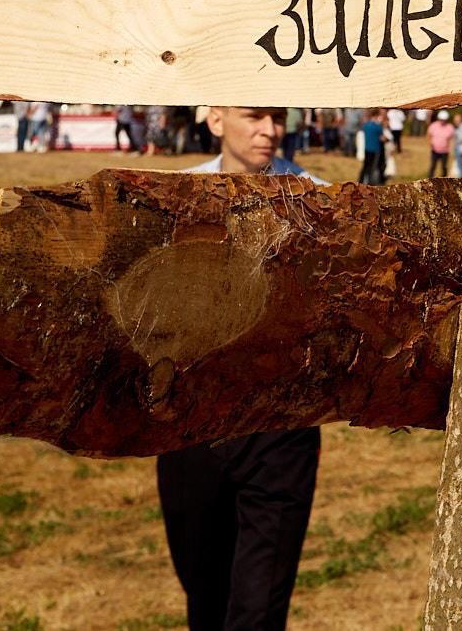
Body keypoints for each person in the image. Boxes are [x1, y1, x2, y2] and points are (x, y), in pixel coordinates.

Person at [159, 105, 323, 631]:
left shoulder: (321, 201)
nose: (270, 130)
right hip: (190, 428)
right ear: (215, 120)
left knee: (258, 614)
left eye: (278, 117)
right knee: (204, 601)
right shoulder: (171, 198)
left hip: (280, 430)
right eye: (254, 116)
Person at [358, 109, 387, 186]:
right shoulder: (378, 127)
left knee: (365, 166)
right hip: (375, 150)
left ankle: (360, 181)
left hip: (367, 149)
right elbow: (382, 138)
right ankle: (370, 184)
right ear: (376, 116)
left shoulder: (365, 125)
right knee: (372, 168)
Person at [426, 111, 455, 179]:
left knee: (444, 166)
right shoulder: (433, 125)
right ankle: (429, 179)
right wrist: (431, 143)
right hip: (435, 150)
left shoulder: (450, 127)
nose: (442, 121)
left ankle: (445, 180)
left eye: (444, 120)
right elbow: (428, 135)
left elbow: (453, 138)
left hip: (445, 151)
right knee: (433, 166)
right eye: (441, 119)